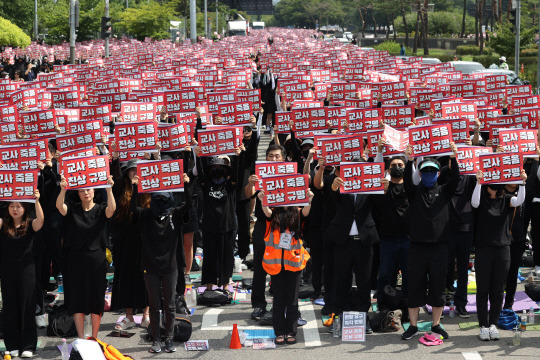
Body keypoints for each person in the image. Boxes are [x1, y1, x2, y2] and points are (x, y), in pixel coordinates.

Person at [401, 143, 459, 341]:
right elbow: (408, 182)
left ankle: (436, 324)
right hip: (417, 246)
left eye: (432, 171)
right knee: (414, 286)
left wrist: (454, 158)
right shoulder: (414, 192)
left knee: (437, 286)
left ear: (437, 173)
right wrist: (409, 162)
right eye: (424, 171)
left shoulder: (444, 191)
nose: (428, 174)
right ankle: (413, 326)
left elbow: (456, 179)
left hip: (440, 247)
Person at [131, 173, 191, 353]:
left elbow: (188, 205)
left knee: (170, 305)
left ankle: (169, 339)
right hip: (150, 267)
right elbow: (134, 208)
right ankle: (156, 339)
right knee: (154, 305)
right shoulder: (147, 214)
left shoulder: (175, 214)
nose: (161, 201)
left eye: (164, 198)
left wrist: (186, 185)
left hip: (170, 267)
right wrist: (135, 187)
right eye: (157, 198)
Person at [326, 159, 387, 334]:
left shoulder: (370, 186)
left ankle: (363, 317)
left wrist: (384, 190)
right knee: (341, 280)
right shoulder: (338, 184)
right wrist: (334, 189)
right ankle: (339, 316)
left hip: (364, 240)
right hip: (343, 240)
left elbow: (380, 207)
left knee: (364, 281)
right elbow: (331, 204)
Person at [56, 175, 116, 339]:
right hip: (75, 259)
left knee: (96, 298)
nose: (85, 193)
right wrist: (63, 189)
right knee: (77, 298)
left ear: (94, 190)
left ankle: (95, 337)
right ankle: (81, 337)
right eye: (82, 190)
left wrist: (109, 191)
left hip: (96, 260)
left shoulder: (100, 208)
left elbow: (111, 210)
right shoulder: (73, 208)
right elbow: (60, 207)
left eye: (88, 189)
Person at [472, 170, 526, 341]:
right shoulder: (481, 198)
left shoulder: (507, 199)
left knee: (497, 290)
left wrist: (523, 183)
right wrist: (479, 183)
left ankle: (493, 323)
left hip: (503, 249)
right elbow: (474, 203)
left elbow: (520, 200)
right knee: (483, 289)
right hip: (483, 249)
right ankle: (483, 325)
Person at [258, 190, 312, 345]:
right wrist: (263, 200)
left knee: (293, 300)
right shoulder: (273, 214)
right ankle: (280, 332)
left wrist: (309, 199)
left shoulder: (298, 213)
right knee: (279, 300)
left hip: (294, 264)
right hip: (276, 266)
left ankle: (291, 331)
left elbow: (307, 211)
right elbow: (266, 211)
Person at [0, 190, 44, 358]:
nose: (15, 209)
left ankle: (28, 345)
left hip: (27, 269)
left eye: (19, 206)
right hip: (7, 268)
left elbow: (41, 220)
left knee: (27, 306)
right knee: (10, 307)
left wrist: (37, 201)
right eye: (12, 206)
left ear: (25, 208)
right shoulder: (3, 224)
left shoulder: (30, 224)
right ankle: (12, 344)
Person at [245, 144, 286, 320]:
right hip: (263, 225)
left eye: (277, 156)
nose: (274, 159)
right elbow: (248, 194)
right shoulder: (260, 175)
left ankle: (281, 304)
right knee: (260, 268)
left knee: (283, 267)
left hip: (283, 226)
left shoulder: (289, 175)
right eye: (271, 156)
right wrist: (250, 183)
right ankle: (259, 305)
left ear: (283, 159)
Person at [110, 158, 150, 331]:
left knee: (146, 277)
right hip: (124, 240)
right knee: (125, 277)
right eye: (132, 170)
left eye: (139, 169)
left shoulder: (149, 188)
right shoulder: (121, 188)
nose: (136, 173)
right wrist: (116, 157)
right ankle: (129, 316)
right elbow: (116, 176)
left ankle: (146, 314)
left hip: (144, 239)